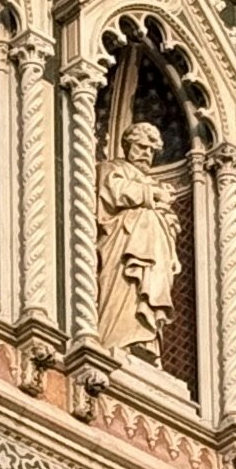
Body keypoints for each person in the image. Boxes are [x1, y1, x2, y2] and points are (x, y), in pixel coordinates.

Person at [96, 118, 181, 361]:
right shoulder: (112, 168)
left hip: (154, 255)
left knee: (150, 291)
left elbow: (171, 222)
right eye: (141, 147)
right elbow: (114, 192)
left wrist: (166, 214)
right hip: (122, 245)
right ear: (127, 146)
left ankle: (146, 342)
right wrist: (152, 195)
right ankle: (116, 338)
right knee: (125, 287)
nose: (146, 154)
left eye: (151, 150)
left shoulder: (156, 183)